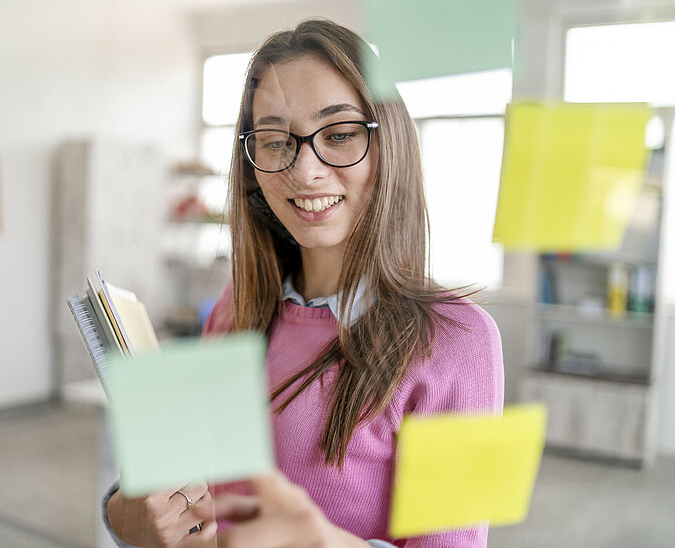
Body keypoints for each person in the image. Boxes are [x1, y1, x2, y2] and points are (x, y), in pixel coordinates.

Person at [103, 18, 504, 548]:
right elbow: (188, 479)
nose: (305, 170)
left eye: (338, 135)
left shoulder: (457, 340)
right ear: (251, 166)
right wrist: (124, 512)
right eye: (274, 142)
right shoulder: (237, 308)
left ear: (390, 145)